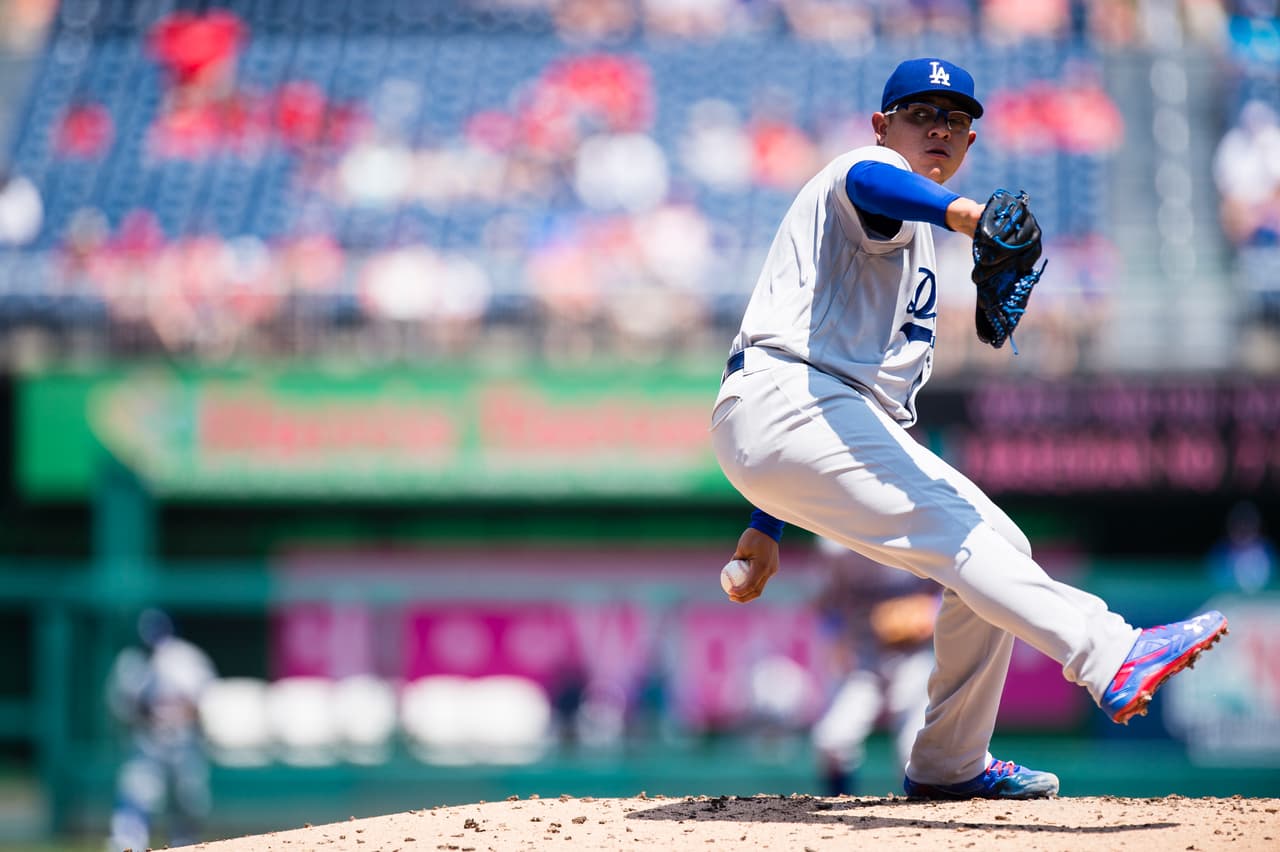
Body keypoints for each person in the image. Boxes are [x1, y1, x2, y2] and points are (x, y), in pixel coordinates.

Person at [708, 57, 1229, 800]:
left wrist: (768, 521)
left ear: (971, 141)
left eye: (954, 120)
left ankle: (949, 761)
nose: (939, 129)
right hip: (789, 395)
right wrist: (970, 216)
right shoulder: (865, 171)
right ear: (882, 125)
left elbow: (842, 426)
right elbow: (872, 183)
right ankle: (1111, 653)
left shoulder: (915, 244)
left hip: (805, 419)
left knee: (998, 548)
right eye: (920, 114)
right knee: (964, 541)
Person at [808, 536, 937, 796]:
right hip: (863, 656)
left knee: (914, 752)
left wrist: (932, 611)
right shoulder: (837, 544)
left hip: (912, 655)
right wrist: (836, 640)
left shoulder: (917, 533)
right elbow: (826, 604)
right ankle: (835, 811)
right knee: (832, 741)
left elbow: (955, 589)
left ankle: (924, 815)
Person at [106, 609, 217, 851]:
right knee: (137, 792)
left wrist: (181, 716)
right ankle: (127, 844)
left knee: (189, 801)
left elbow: (206, 701)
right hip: (148, 742)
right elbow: (120, 707)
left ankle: (185, 844)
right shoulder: (130, 662)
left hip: (185, 742)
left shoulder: (186, 658)